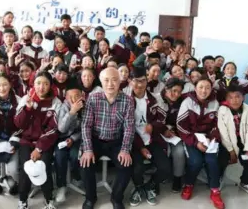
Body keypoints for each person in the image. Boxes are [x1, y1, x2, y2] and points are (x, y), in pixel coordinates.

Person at [80, 67, 135, 209]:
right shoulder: (93, 98)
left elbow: (129, 127)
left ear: (120, 81)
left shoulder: (128, 101)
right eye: (106, 80)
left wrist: (125, 149)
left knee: (126, 165)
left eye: (114, 80)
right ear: (100, 81)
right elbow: (86, 125)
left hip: (116, 141)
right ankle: (90, 198)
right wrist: (87, 149)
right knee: (85, 163)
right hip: (96, 140)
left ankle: (116, 198)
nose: (110, 84)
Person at [14, 71, 62, 209]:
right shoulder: (26, 99)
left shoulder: (55, 102)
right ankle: (22, 200)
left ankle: (49, 199)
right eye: (38, 83)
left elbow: (53, 129)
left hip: (45, 142)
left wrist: (39, 148)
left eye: (46, 83)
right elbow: (18, 124)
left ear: (50, 86)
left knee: (43, 167)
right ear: (33, 84)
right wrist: (28, 108)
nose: (42, 87)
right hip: (26, 141)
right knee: (24, 168)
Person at [176, 77, 225, 209]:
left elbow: (217, 124)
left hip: (209, 139)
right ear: (195, 88)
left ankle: (215, 191)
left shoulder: (215, 103)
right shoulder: (187, 102)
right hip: (191, 138)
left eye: (207, 87)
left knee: (212, 161)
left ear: (211, 89)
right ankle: (189, 184)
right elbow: (181, 126)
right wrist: (196, 142)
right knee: (196, 161)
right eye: (201, 87)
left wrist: (213, 137)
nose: (204, 91)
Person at [129, 67, 172, 207]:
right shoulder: (125, 100)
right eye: (136, 81)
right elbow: (126, 128)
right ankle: (138, 187)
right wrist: (141, 147)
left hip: (152, 139)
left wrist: (153, 126)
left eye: (142, 81)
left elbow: (161, 119)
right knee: (137, 168)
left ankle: (150, 186)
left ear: (147, 81)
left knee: (165, 168)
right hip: (134, 142)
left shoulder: (155, 99)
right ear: (130, 82)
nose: (139, 85)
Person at [217, 85, 248, 197]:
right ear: (226, 99)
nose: (234, 100)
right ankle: (218, 178)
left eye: (237, 96)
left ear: (243, 97)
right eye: (231, 97)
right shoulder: (222, 110)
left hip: (243, 142)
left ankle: (245, 182)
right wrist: (231, 150)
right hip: (227, 143)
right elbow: (223, 133)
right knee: (221, 159)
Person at [54, 79, 84, 203]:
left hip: (77, 139)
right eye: (70, 97)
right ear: (66, 97)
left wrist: (73, 138)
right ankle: (61, 186)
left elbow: (86, 128)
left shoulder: (86, 106)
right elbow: (61, 128)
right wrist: (72, 112)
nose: (74, 99)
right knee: (60, 157)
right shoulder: (63, 106)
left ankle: (76, 176)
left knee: (75, 155)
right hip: (62, 139)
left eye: (77, 96)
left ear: (82, 95)